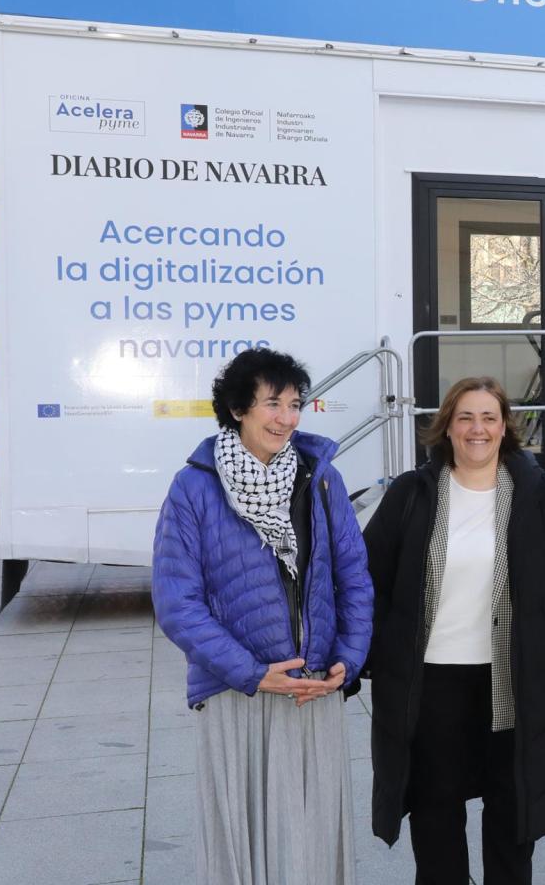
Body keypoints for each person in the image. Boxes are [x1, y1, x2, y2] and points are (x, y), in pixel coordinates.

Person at [151, 347, 373, 884]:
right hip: (239, 691)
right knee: (244, 835)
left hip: (313, 685)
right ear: (237, 409)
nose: (287, 418)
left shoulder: (320, 479)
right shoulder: (195, 486)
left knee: (314, 832)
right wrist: (252, 673)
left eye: (295, 404)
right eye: (273, 403)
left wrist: (349, 657)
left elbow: (355, 577)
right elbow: (177, 602)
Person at [361, 376, 545, 884]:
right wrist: (379, 651)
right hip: (433, 680)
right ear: (448, 426)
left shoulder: (536, 493)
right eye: (465, 417)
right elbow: (367, 576)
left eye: (488, 417)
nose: (477, 428)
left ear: (504, 427)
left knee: (512, 813)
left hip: (512, 679)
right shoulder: (412, 493)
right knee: (435, 810)